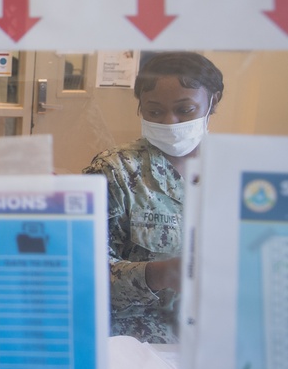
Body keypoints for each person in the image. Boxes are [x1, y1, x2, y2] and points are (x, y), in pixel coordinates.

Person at [83, 51, 223, 343]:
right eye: (155, 112)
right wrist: (158, 274)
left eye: (185, 110)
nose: (170, 122)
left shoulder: (233, 171)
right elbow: (82, 272)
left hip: (210, 340)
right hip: (135, 341)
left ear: (213, 102)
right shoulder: (116, 171)